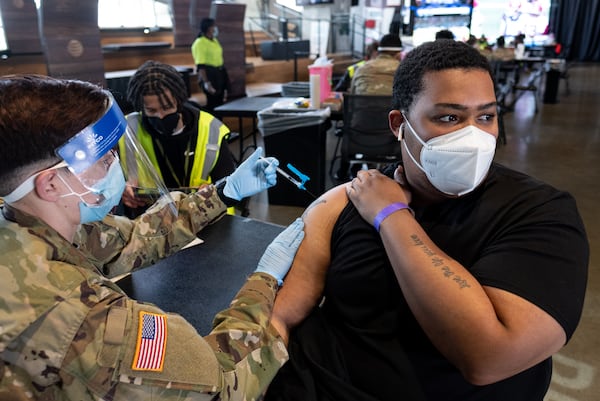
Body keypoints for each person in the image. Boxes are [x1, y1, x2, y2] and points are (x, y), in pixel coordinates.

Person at [264, 40, 589, 401]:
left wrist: (392, 215)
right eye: (448, 117)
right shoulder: (346, 200)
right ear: (399, 124)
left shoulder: (539, 213)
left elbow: (489, 357)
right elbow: (279, 319)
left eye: (485, 117)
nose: (473, 137)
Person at [0, 74, 307, 400]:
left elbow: (133, 239)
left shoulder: (26, 225)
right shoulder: (80, 319)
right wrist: (265, 281)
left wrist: (225, 192)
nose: (113, 163)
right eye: (101, 158)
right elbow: (224, 384)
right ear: (49, 184)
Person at [121, 60, 237, 217]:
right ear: (141, 107)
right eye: (151, 110)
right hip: (151, 224)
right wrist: (121, 190)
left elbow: (230, 183)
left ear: (179, 99)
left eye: (167, 108)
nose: (160, 116)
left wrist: (215, 191)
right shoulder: (127, 129)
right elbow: (100, 184)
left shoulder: (211, 129)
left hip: (206, 218)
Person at [191, 17, 230, 112]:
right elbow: (200, 65)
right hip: (209, 74)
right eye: (213, 26)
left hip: (219, 72)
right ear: (208, 28)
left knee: (220, 103)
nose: (215, 28)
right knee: (213, 103)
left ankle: (219, 124)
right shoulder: (200, 43)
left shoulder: (214, 40)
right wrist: (206, 83)